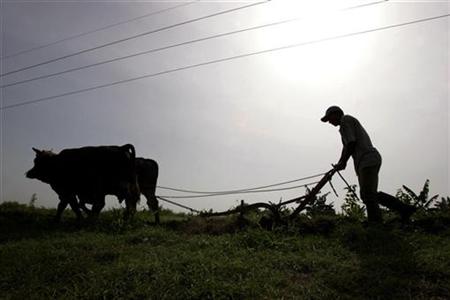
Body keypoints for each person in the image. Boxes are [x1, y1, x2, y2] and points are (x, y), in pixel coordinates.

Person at [321, 106, 415, 223]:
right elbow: (346, 147)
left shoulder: (346, 120)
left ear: (336, 114)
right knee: (367, 194)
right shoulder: (343, 127)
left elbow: (351, 143)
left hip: (367, 159)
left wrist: (343, 162)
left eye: (329, 118)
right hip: (365, 161)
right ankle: (402, 210)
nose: (329, 122)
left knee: (368, 194)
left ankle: (376, 221)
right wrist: (341, 162)